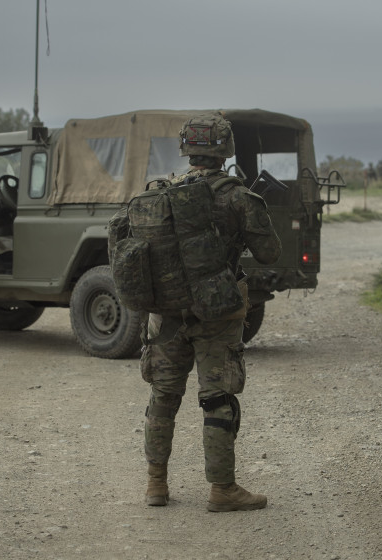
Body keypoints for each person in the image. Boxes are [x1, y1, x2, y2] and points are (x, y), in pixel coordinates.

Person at [142, 113, 281, 512]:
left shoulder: (161, 192)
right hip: (217, 314)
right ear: (226, 150)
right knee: (217, 398)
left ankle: (155, 485)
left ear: (186, 148)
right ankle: (222, 490)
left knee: (163, 396)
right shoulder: (238, 197)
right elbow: (270, 253)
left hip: (167, 313)